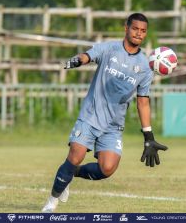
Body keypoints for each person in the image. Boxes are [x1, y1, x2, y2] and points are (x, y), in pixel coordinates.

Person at [42, 13, 168, 212]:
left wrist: (149, 136)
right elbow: (88, 55)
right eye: (135, 28)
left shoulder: (145, 67)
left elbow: (143, 102)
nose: (138, 33)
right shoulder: (109, 48)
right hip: (91, 115)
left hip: (113, 125)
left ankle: (69, 174)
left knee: (107, 168)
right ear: (125, 28)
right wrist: (78, 60)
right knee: (75, 155)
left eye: (143, 31)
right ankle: (52, 201)